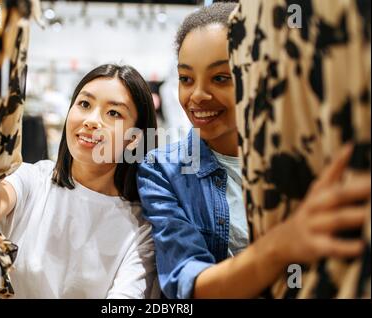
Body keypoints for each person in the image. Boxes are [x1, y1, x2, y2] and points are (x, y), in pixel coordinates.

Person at [137, 2, 370, 299]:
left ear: (255, 79)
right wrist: (281, 245)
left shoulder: (305, 153)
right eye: (186, 79)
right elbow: (190, 287)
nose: (197, 95)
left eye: (221, 78)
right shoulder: (162, 169)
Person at [0, 64, 160, 298]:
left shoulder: (140, 229)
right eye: (85, 104)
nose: (92, 120)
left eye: (113, 113)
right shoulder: (32, 180)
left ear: (135, 139)